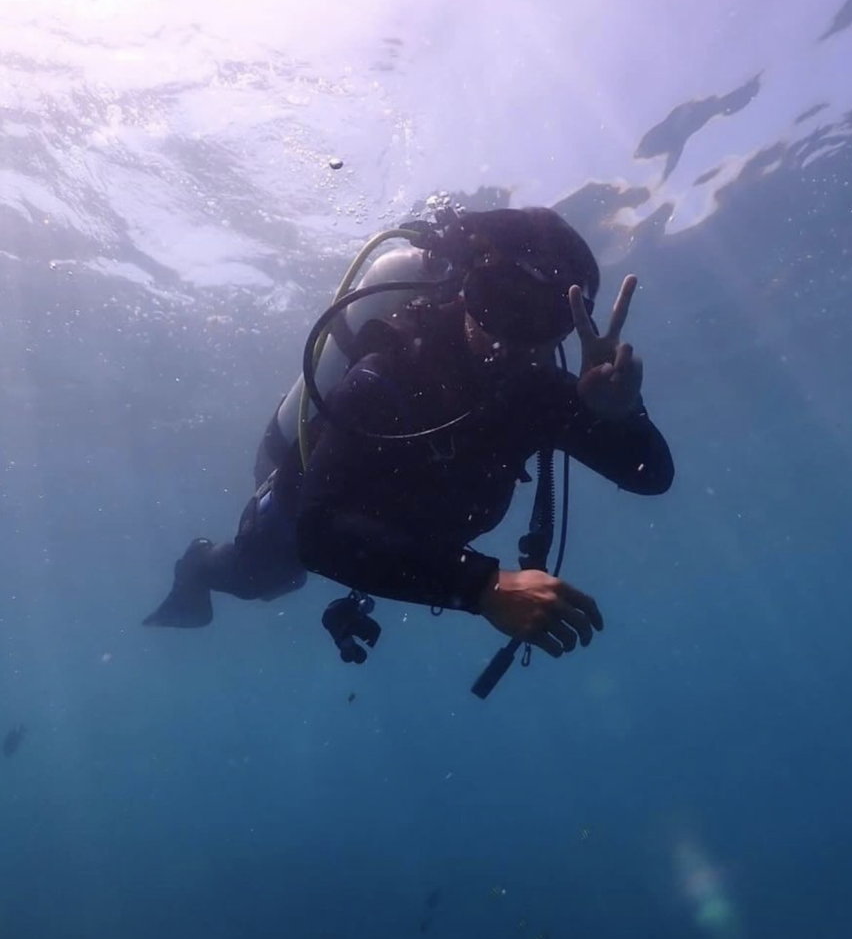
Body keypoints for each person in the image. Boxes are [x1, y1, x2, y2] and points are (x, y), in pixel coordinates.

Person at [143, 207, 674, 660]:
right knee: (265, 578)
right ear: (467, 290)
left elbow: (651, 478)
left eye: (539, 320)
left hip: (412, 544)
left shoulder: (539, 392)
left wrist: (622, 415)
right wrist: (483, 587)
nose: (510, 338)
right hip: (304, 516)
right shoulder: (389, 371)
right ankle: (196, 563)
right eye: (499, 302)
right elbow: (319, 534)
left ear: (565, 327)